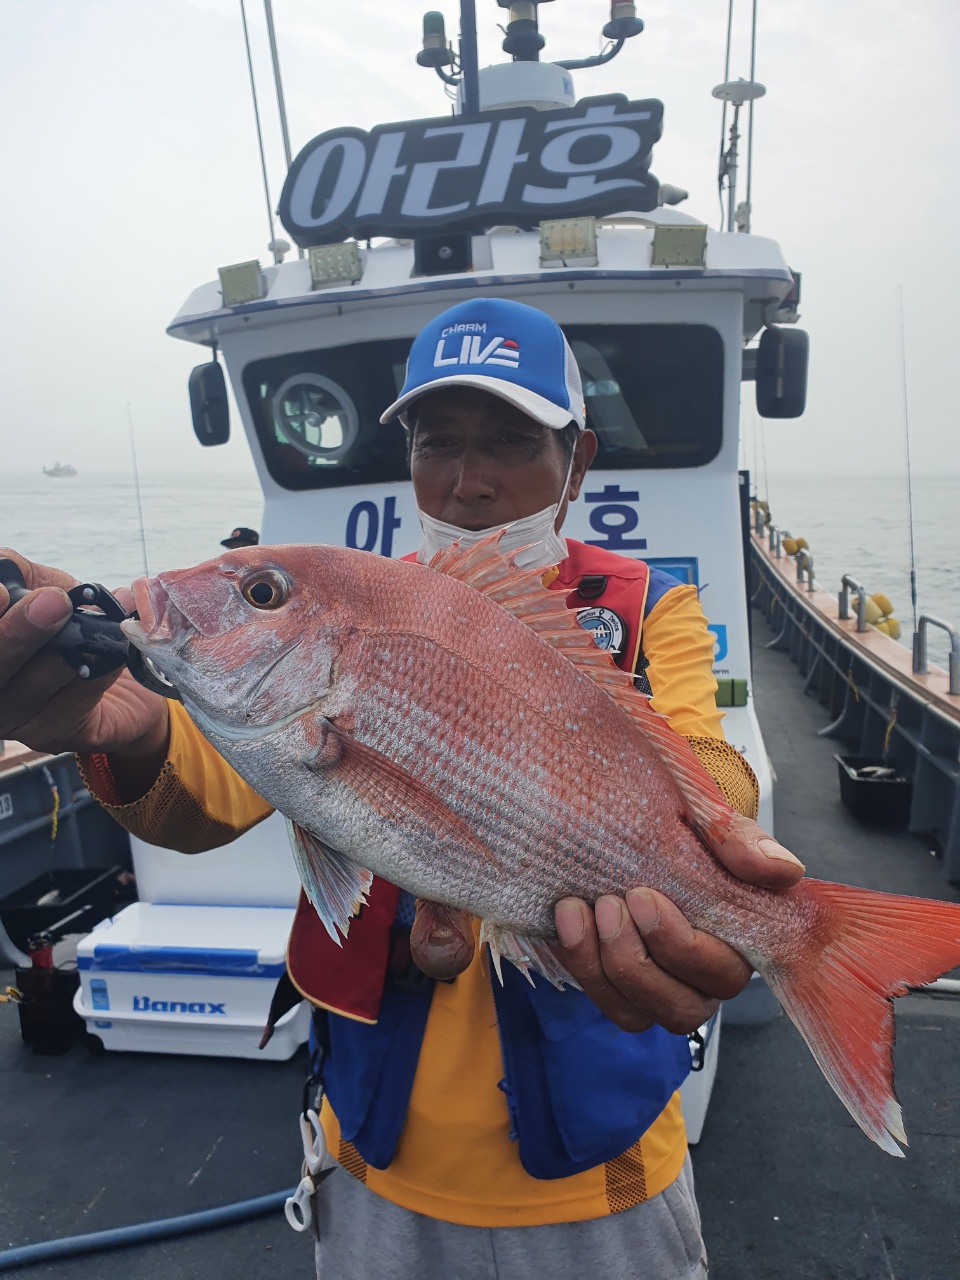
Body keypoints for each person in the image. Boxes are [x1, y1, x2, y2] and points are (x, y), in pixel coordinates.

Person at [0, 298, 803, 1279]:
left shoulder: (649, 607)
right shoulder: (354, 609)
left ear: (577, 460)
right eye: (438, 443)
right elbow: (206, 797)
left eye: (511, 440)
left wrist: (714, 817)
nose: (470, 480)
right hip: (375, 1146)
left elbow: (706, 752)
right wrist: (130, 731)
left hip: (601, 1170)